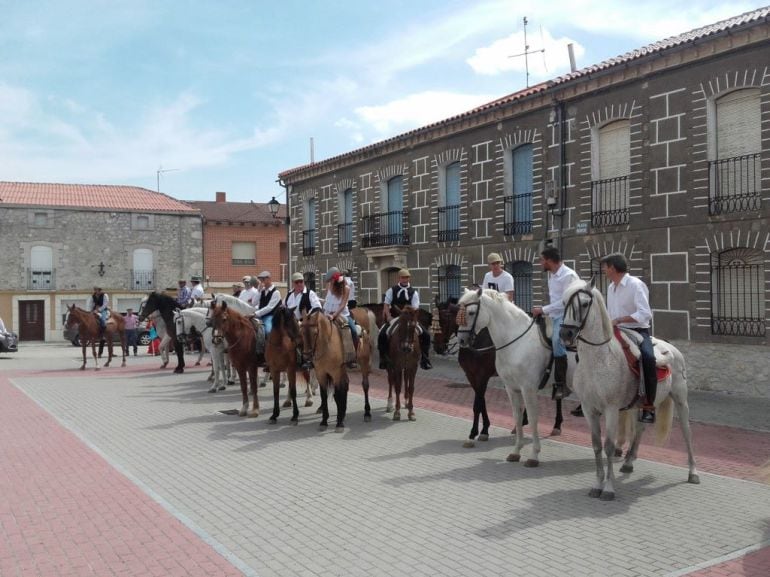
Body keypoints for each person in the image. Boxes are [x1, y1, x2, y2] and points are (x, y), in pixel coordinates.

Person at [601, 253, 657, 424]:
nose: (603, 270)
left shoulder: (635, 285)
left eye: (605, 266)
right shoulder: (611, 287)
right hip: (616, 331)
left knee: (648, 358)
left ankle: (649, 407)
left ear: (612, 268)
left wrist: (620, 319)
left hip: (638, 330)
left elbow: (645, 313)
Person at [531, 247, 579, 401]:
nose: (540, 263)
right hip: (554, 315)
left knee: (557, 340)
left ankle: (561, 384)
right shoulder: (552, 275)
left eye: (541, 260)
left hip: (567, 316)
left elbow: (566, 302)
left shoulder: (568, 276)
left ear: (549, 261)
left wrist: (543, 309)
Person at [378, 268, 432, 370]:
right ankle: (383, 358)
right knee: (382, 334)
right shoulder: (391, 290)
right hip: (394, 317)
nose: (405, 279)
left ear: (409, 278)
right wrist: (388, 316)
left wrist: (412, 318)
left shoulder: (414, 292)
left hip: (409, 318)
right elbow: (386, 305)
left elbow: (415, 308)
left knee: (426, 335)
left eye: (406, 277)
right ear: (399, 278)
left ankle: (425, 359)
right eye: (403, 277)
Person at [323, 268, 358, 367]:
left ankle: (352, 356)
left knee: (353, 331)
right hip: (327, 312)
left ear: (336, 279)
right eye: (330, 281)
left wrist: (334, 315)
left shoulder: (346, 288)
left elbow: (342, 304)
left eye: (332, 280)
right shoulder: (329, 286)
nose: (331, 282)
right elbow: (327, 300)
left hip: (342, 314)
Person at [254, 271, 281, 336]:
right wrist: (259, 291)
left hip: (271, 316)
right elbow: (254, 302)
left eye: (263, 279)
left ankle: (269, 345)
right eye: (260, 280)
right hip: (260, 316)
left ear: (269, 279)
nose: (261, 282)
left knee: (268, 331)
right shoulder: (262, 291)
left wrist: (256, 313)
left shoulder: (276, 292)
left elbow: (269, 308)